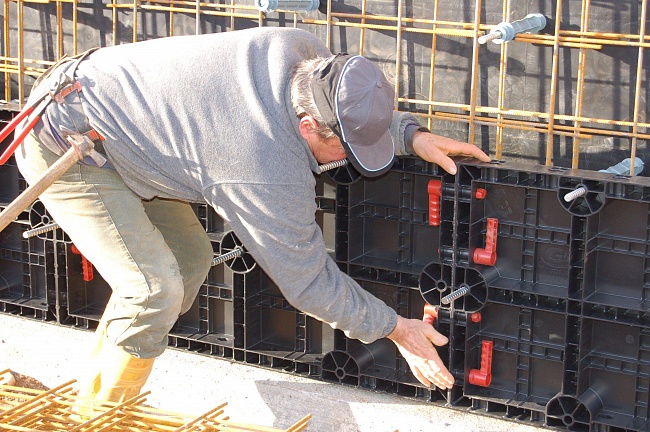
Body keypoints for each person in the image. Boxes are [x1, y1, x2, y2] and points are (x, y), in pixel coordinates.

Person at [14, 26, 491, 411]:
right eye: (343, 148)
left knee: (189, 263)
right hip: (70, 146)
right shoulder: (260, 163)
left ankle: (100, 374)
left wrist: (410, 133)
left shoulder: (303, 54)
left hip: (124, 120)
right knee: (154, 289)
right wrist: (395, 328)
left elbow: (353, 105)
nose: (346, 159)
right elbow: (308, 284)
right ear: (307, 126)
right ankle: (98, 417)